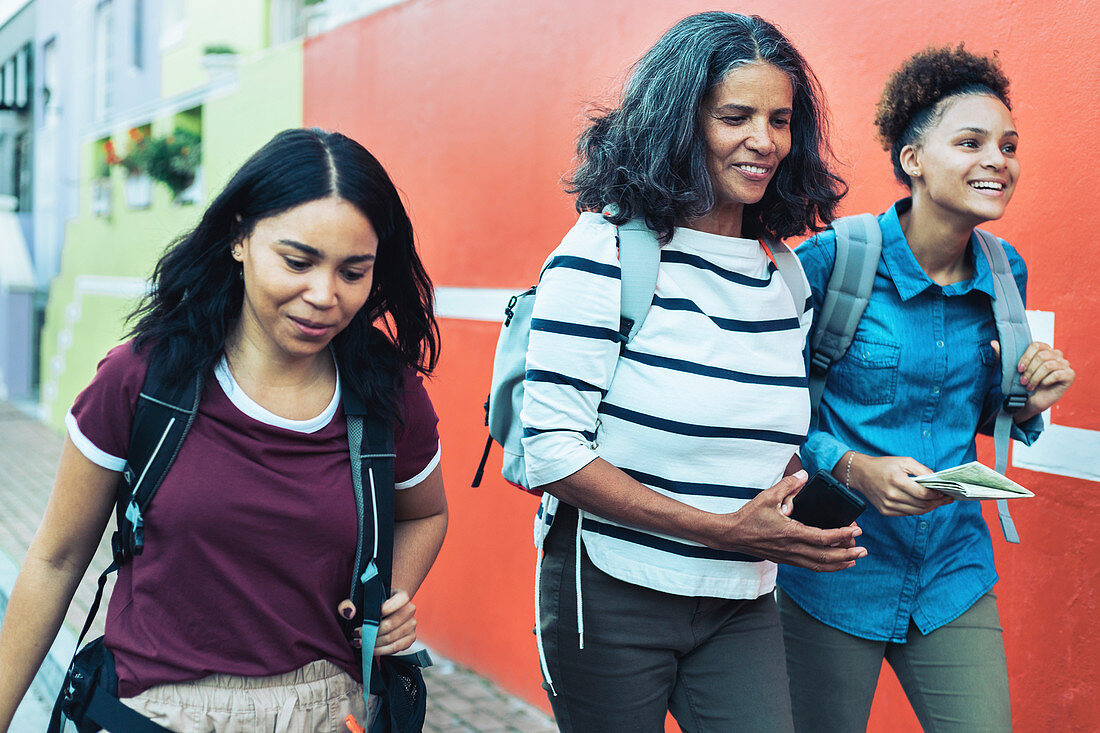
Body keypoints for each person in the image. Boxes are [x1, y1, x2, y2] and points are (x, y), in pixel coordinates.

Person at [0, 128, 448, 733]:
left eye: (353, 271)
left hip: (327, 710)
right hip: (154, 710)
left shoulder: (386, 394)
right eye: (298, 261)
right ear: (239, 237)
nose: (324, 295)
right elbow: (55, 560)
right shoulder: (144, 380)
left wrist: (384, 597)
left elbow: (424, 513)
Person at [522, 12, 865, 732]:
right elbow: (550, 451)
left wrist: (835, 498)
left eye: (780, 119)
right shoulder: (605, 251)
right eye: (734, 116)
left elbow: (753, 428)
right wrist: (722, 528)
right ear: (680, 121)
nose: (765, 141)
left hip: (742, 597)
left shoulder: (787, 275)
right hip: (611, 587)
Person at [776, 46, 1075, 732]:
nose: (997, 160)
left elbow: (978, 410)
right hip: (834, 564)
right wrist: (852, 464)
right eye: (969, 142)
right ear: (912, 159)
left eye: (1008, 145)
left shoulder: (1006, 272)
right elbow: (768, 405)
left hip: (952, 567)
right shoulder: (833, 260)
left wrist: (1028, 400)